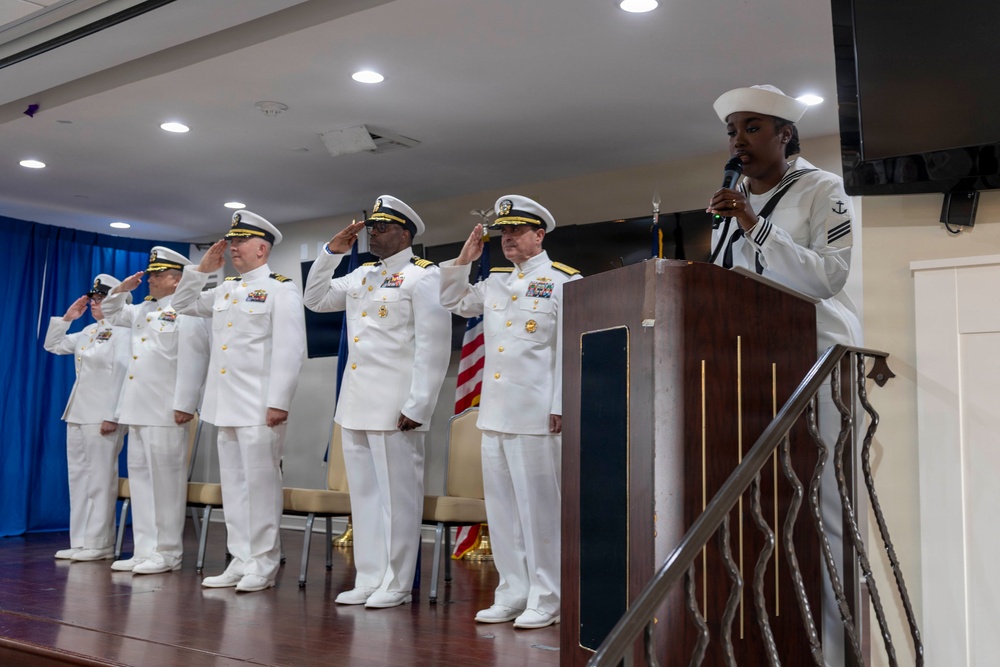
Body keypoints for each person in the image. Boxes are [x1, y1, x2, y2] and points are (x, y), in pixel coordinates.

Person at [708, 84, 862, 665]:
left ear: (784, 135)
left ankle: (835, 650)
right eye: (732, 131)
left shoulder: (824, 189)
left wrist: (755, 224)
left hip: (814, 361)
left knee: (824, 504)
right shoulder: (730, 199)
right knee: (759, 506)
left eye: (751, 127)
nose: (738, 140)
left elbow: (827, 279)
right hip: (746, 364)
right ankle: (769, 641)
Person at [439, 195, 582, 630]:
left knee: (540, 511)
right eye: (504, 232)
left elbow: (569, 347)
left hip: (539, 415)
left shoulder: (564, 281)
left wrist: (561, 405)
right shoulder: (497, 282)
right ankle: (512, 591)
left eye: (517, 231)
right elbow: (452, 301)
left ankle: (548, 596)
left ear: (540, 235)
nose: (508, 239)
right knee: (502, 511)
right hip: (495, 414)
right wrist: (465, 259)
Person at [302, 195, 451, 609]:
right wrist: (331, 253)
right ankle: (370, 577)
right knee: (365, 497)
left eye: (381, 228)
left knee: (399, 499)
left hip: (395, 407)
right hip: (356, 404)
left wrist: (418, 405)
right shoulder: (363, 275)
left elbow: (433, 348)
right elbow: (314, 299)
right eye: (371, 227)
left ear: (405, 233)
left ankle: (398, 583)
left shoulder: (425, 277)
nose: (373, 234)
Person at [172, 210, 305, 593]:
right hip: (224, 405)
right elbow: (182, 304)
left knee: (261, 486)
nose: (232, 248)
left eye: (240, 242)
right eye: (231, 242)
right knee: (233, 486)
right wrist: (199, 271)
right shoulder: (226, 289)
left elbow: (290, 350)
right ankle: (240, 559)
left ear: (262, 248)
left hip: (259, 407)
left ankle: (263, 563)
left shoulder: (281, 289)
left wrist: (279, 401)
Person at [102, 248, 211, 575]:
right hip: (137, 409)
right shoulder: (142, 309)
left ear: (177, 281)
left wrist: (185, 404)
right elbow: (110, 311)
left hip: (166, 409)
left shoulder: (187, 311)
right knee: (142, 482)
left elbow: (195, 358)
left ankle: (168, 552)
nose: (149, 279)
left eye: (157, 274)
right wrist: (122, 289)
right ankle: (145, 549)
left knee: (166, 484)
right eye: (151, 274)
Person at [43, 274, 131, 562]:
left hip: (102, 415)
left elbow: (122, 375)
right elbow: (53, 345)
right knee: (78, 478)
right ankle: (80, 541)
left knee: (100, 480)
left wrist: (113, 415)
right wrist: (67, 318)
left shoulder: (124, 331)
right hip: (78, 412)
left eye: (101, 299)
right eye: (94, 299)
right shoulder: (89, 331)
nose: (94, 304)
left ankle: (100, 542)